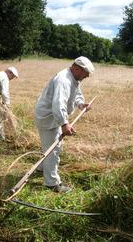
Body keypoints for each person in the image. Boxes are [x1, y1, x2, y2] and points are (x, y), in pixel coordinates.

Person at [35, 56, 94, 193]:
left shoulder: (73, 78)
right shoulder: (63, 80)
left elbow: (76, 93)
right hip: (49, 118)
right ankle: (52, 183)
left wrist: (80, 104)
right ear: (76, 68)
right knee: (53, 149)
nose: (87, 76)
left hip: (53, 117)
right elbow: (58, 104)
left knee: (48, 145)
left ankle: (41, 168)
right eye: (85, 73)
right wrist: (64, 124)